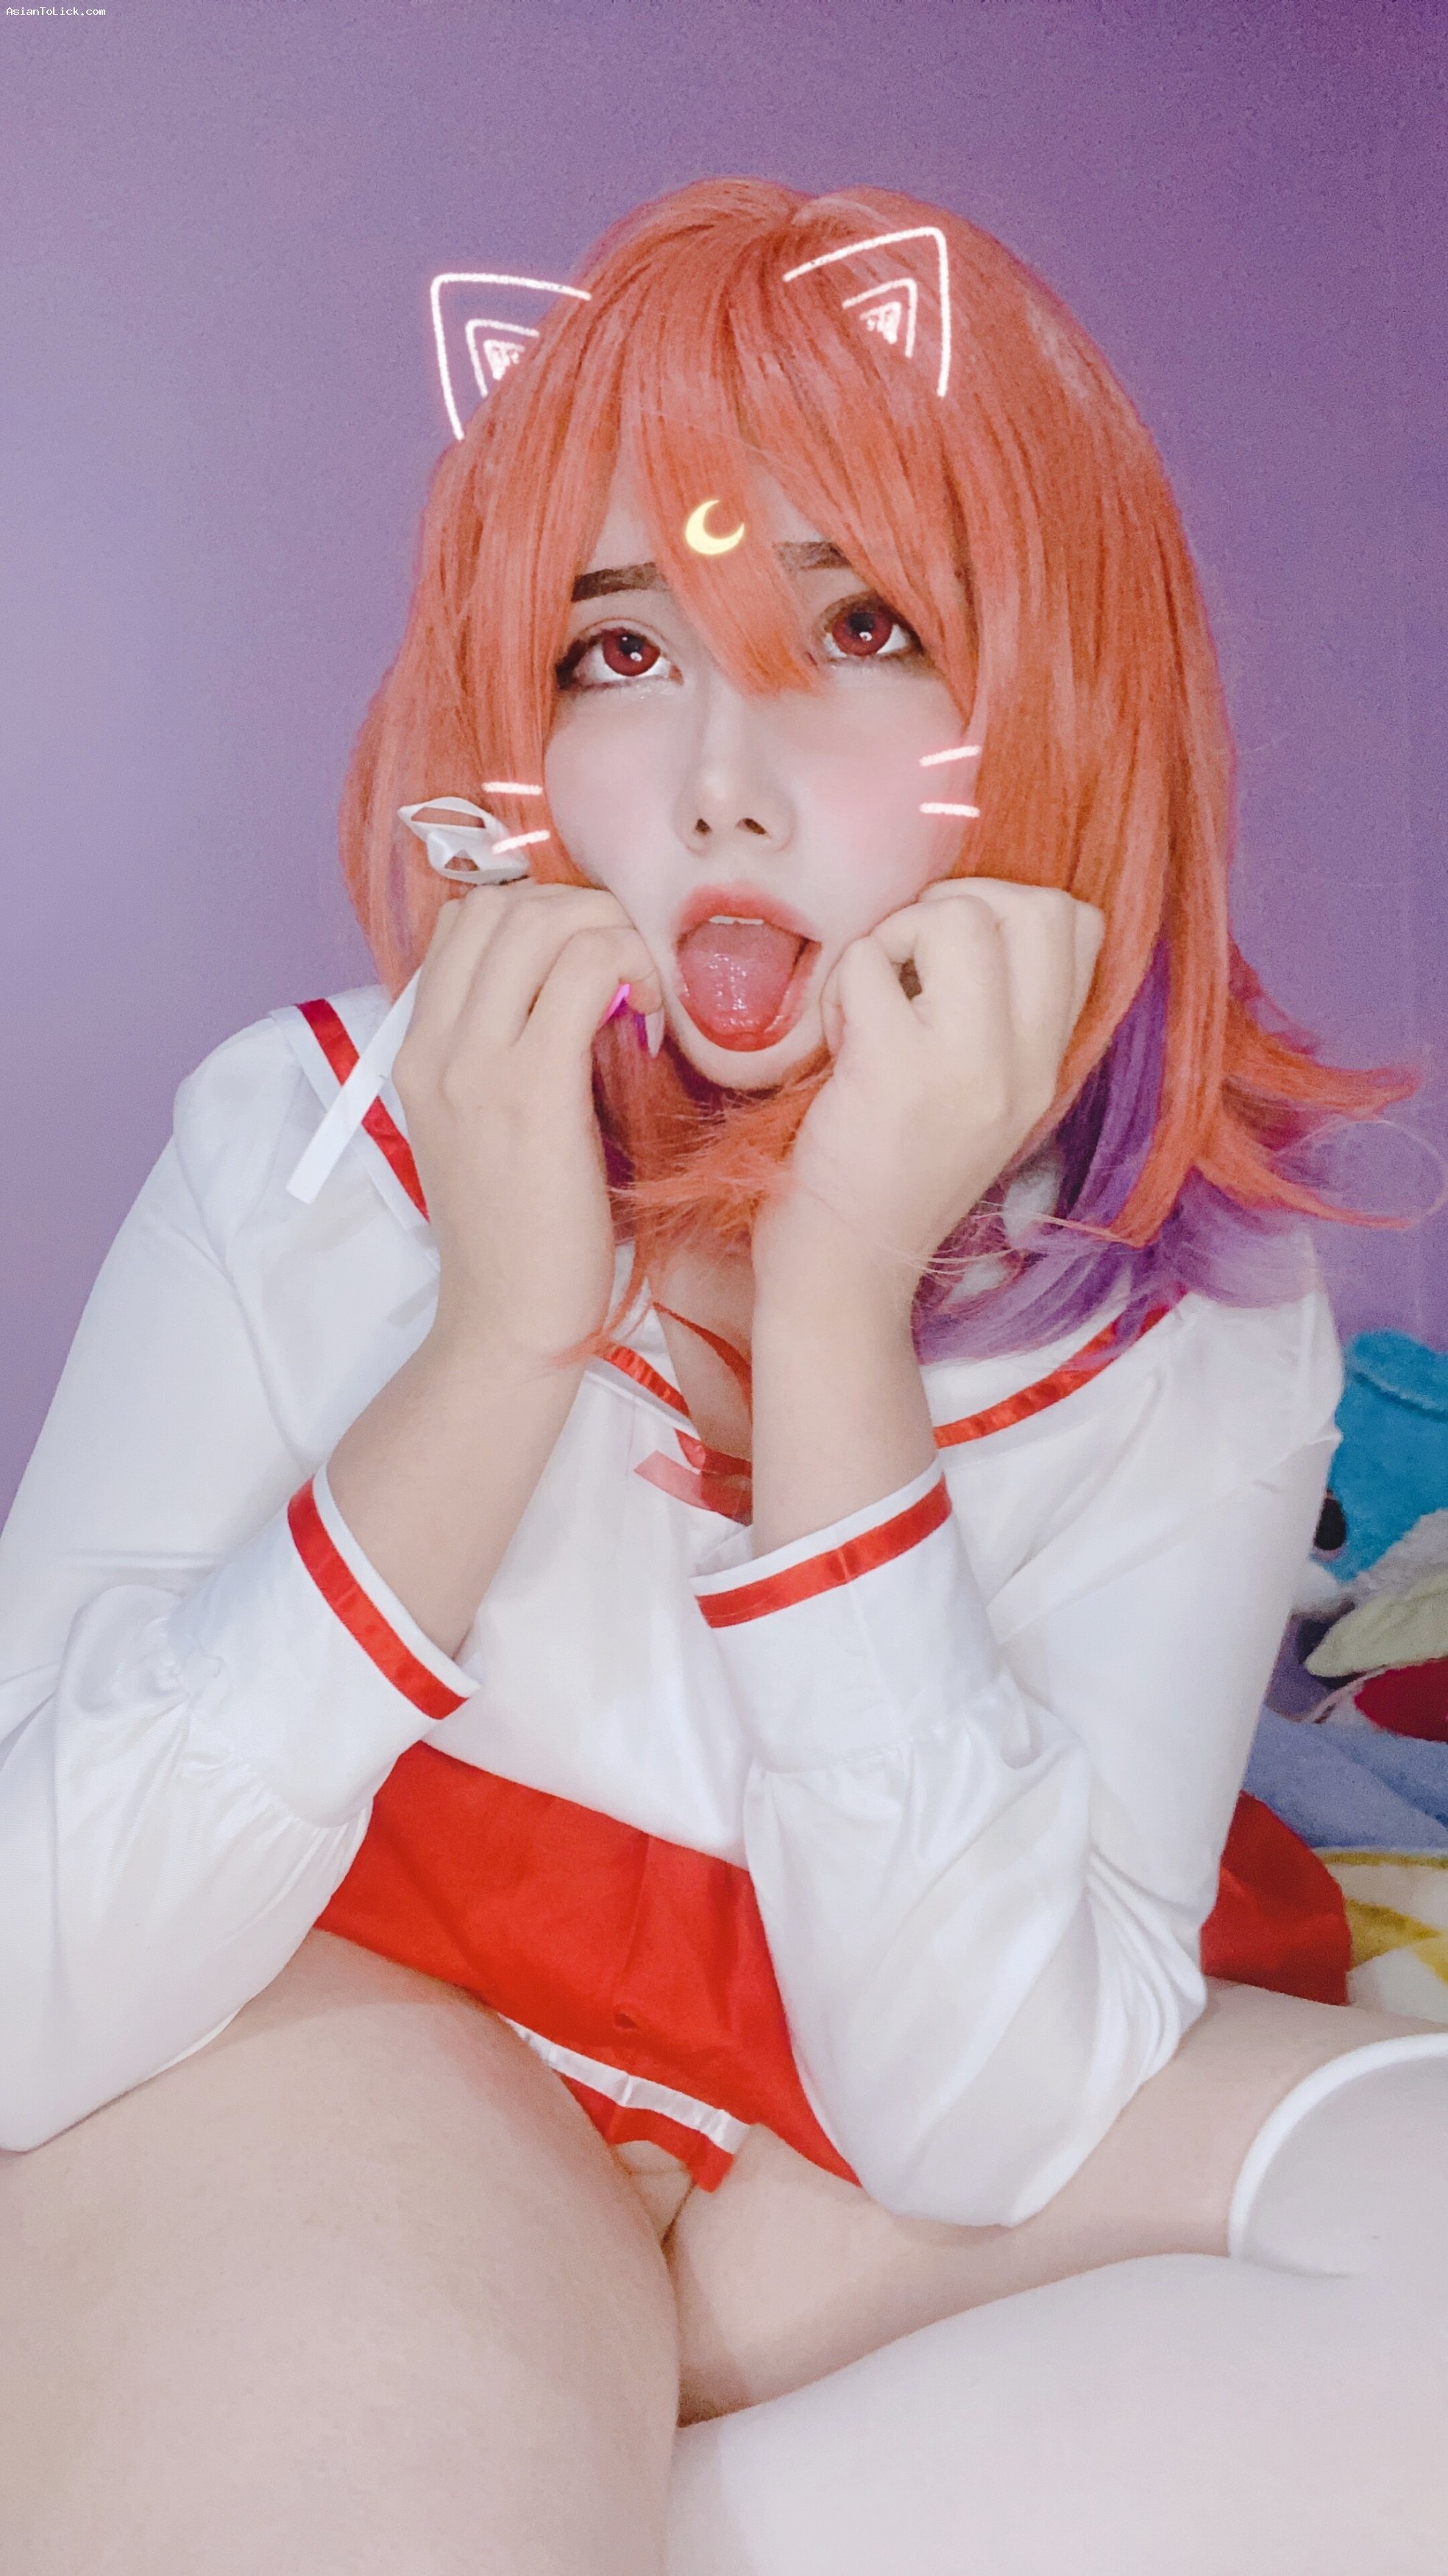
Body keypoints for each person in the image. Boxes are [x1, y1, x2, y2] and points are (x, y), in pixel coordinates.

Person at [0, 177, 1444, 2576]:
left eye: (858, 629)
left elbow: (977, 2114)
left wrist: (844, 1298)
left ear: (1058, 687)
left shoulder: (1191, 1306)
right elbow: (22, 1979)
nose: (718, 776)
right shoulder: (314, 1146)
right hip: (391, 2032)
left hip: (849, 2143)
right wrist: (499, 1340)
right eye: (615, 648)